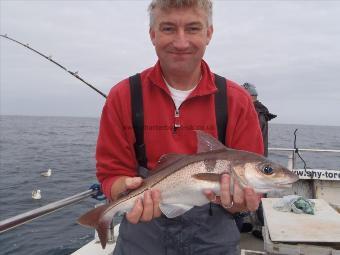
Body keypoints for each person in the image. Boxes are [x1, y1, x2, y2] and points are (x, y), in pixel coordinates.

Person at [96, 1, 264, 254]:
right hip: (142, 237)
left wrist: (240, 203)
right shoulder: (123, 96)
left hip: (213, 242)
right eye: (168, 29)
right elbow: (111, 174)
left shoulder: (236, 100)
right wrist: (125, 188)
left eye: (193, 28)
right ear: (152, 34)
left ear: (209, 33)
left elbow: (243, 200)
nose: (181, 42)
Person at [242, 82, 277, 239]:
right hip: (260, 157)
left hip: (254, 159)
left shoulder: (254, 112)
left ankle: (261, 227)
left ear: (249, 96)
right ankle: (254, 224)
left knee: (256, 194)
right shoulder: (261, 111)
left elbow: (249, 139)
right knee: (255, 192)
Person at [242, 82, 277, 157]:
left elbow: (250, 140)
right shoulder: (259, 111)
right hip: (258, 156)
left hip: (254, 158)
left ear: (247, 96)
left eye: (241, 94)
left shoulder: (256, 113)